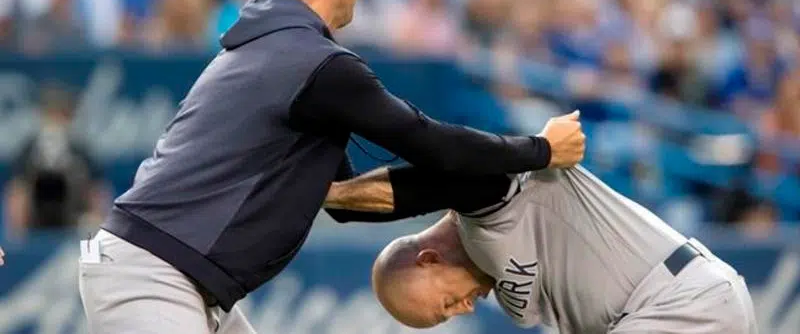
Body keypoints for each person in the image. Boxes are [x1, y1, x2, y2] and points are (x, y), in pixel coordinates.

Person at [78, 0, 586, 334]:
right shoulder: (313, 62)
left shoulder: (269, 46)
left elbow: (344, 198)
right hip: (152, 274)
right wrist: (538, 150)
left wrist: (475, 187)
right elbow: (430, 143)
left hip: (172, 276)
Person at [323, 166, 759, 334]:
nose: (463, 309)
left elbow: (447, 170)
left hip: (681, 303)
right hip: (674, 310)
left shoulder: (487, 207)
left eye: (444, 304)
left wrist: (335, 194)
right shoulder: (503, 284)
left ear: (429, 258)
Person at [4, 85, 109, 241]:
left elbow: (97, 193)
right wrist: (17, 236)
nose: (56, 122)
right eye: (51, 115)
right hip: (35, 225)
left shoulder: (81, 152)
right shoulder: (28, 151)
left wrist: (98, 231)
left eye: (62, 116)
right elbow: (16, 194)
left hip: (74, 224)